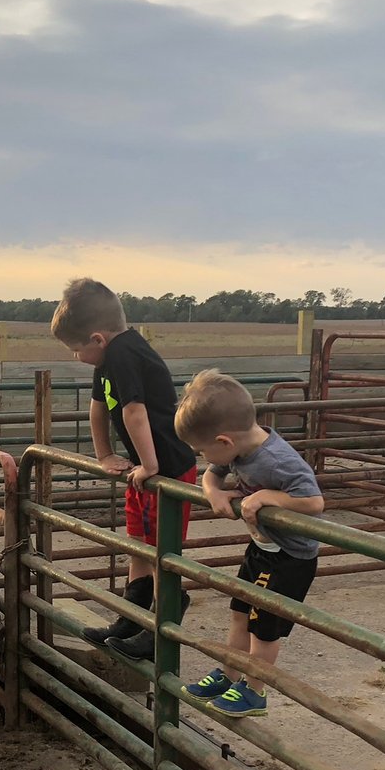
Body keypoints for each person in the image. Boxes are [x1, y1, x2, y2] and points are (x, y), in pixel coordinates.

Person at [50, 277, 198, 659]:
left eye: (75, 349)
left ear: (98, 339)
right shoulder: (108, 358)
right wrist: (104, 456)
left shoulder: (124, 355)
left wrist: (150, 465)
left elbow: (134, 410)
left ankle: (162, 622)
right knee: (137, 546)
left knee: (159, 551)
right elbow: (99, 407)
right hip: (144, 469)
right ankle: (131, 620)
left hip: (167, 470)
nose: (75, 356)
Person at [172, 368, 324, 717]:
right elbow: (213, 474)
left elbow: (314, 503)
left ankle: (255, 691)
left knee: (264, 629)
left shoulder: (277, 461)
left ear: (224, 442)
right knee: (240, 614)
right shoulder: (239, 449)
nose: (202, 458)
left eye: (201, 450)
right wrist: (213, 492)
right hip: (262, 548)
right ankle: (230, 674)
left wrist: (270, 496)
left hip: (289, 558)